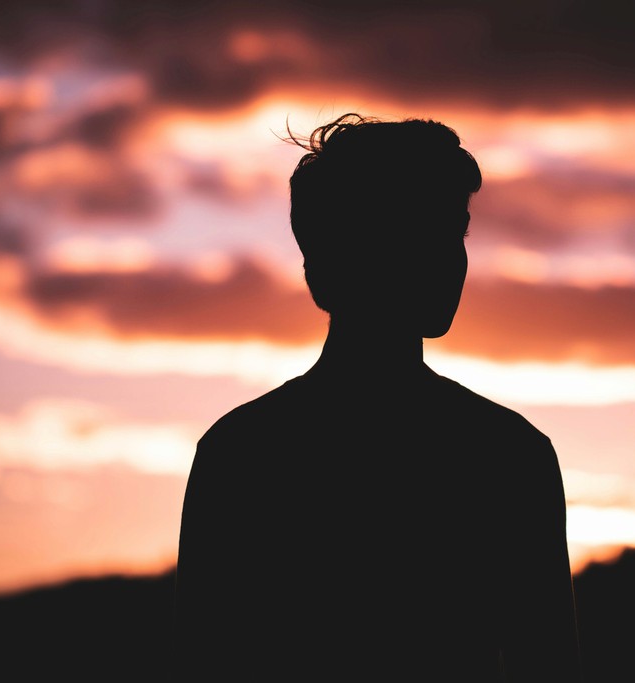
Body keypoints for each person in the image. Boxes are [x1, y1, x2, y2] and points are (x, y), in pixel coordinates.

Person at [174, 113, 582, 681]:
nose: (448, 257)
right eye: (417, 232)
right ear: (332, 260)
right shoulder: (506, 451)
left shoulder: (241, 448)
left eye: (456, 231)